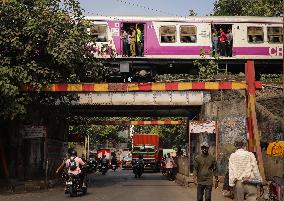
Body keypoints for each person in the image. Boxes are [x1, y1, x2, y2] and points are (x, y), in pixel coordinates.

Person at [229, 137, 263, 201]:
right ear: (245, 145)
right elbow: (255, 170)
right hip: (250, 182)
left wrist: (231, 185)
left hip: (239, 184)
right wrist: (260, 181)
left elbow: (231, 172)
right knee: (252, 198)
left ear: (235, 145)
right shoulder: (250, 155)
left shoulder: (232, 156)